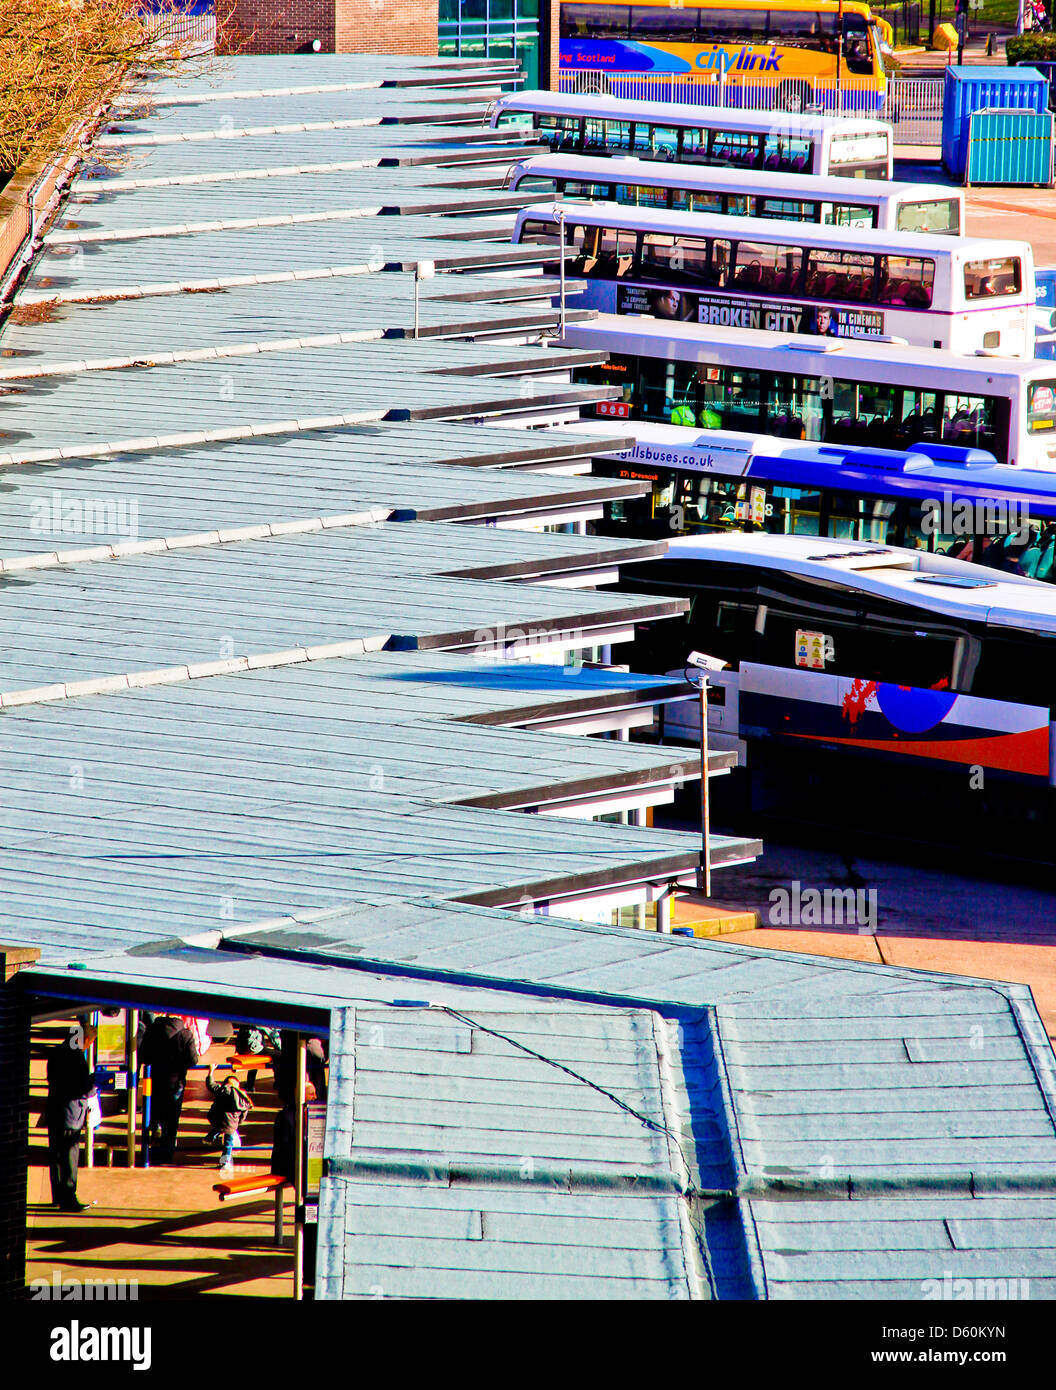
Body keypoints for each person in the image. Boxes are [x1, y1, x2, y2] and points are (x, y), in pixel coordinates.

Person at [45, 1022, 97, 1213]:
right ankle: (68, 1198)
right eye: (89, 1043)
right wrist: (93, 1082)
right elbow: (82, 1087)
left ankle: (57, 1196)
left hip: (55, 1109)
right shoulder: (76, 1057)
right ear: (85, 1040)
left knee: (56, 1154)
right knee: (69, 1156)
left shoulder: (59, 1051)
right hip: (70, 1112)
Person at [140, 1014, 199, 1161]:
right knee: (172, 1120)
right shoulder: (185, 1034)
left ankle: (152, 1147)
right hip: (175, 1082)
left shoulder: (152, 1030)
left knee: (154, 1113)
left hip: (155, 1080)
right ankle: (167, 1152)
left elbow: (144, 1056)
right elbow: (193, 1060)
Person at [204, 1066, 253, 1172]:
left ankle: (209, 1137)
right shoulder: (243, 1097)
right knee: (228, 1144)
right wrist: (238, 1123)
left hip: (219, 1119)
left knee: (219, 1127)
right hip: (232, 1123)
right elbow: (244, 1113)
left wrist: (211, 1071)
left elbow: (210, 1085)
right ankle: (225, 1161)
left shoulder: (223, 1090)